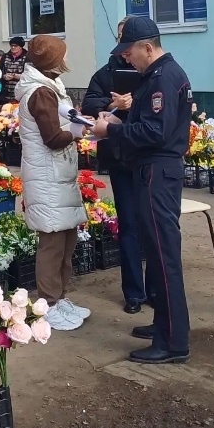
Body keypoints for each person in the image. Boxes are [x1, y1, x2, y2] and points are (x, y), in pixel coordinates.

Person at [90, 16, 192, 364]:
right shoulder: (157, 74)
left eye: (130, 52)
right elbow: (150, 124)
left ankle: (173, 341)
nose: (126, 58)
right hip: (153, 169)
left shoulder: (163, 77)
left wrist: (110, 131)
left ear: (148, 47)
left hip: (157, 171)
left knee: (163, 256)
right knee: (157, 251)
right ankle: (165, 324)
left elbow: (155, 133)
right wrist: (119, 121)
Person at [14, 35, 91, 331]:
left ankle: (59, 298)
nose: (67, 59)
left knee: (67, 238)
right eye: (63, 54)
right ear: (52, 60)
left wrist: (78, 123)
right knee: (53, 243)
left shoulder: (49, 86)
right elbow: (53, 138)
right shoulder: (40, 92)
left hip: (57, 174)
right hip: (47, 175)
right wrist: (79, 131)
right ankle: (47, 303)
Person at [82, 17, 156, 315]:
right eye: (121, 38)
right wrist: (112, 106)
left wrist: (135, 103)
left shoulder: (154, 71)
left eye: (130, 40)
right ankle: (134, 293)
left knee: (152, 225)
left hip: (149, 157)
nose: (125, 48)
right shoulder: (106, 72)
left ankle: (155, 289)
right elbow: (89, 103)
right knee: (128, 225)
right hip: (120, 157)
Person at [0, 37, 28, 115]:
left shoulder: (27, 57)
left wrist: (18, 76)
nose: (13, 47)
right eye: (11, 45)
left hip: (21, 91)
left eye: (15, 46)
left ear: (21, 47)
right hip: (6, 92)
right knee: (5, 113)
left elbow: (30, 74)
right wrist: (4, 76)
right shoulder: (5, 56)